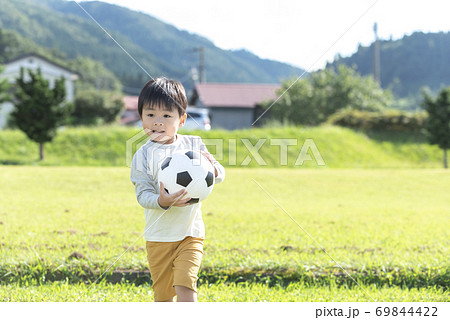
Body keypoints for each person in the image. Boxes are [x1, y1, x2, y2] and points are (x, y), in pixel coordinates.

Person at [130, 77, 225, 302]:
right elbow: (142, 194)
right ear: (141, 116)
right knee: (163, 299)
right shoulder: (142, 155)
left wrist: (214, 168)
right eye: (150, 115)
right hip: (159, 237)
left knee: (186, 288)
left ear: (181, 119)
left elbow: (217, 173)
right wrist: (162, 201)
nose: (158, 122)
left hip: (190, 234)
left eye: (167, 115)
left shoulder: (193, 145)